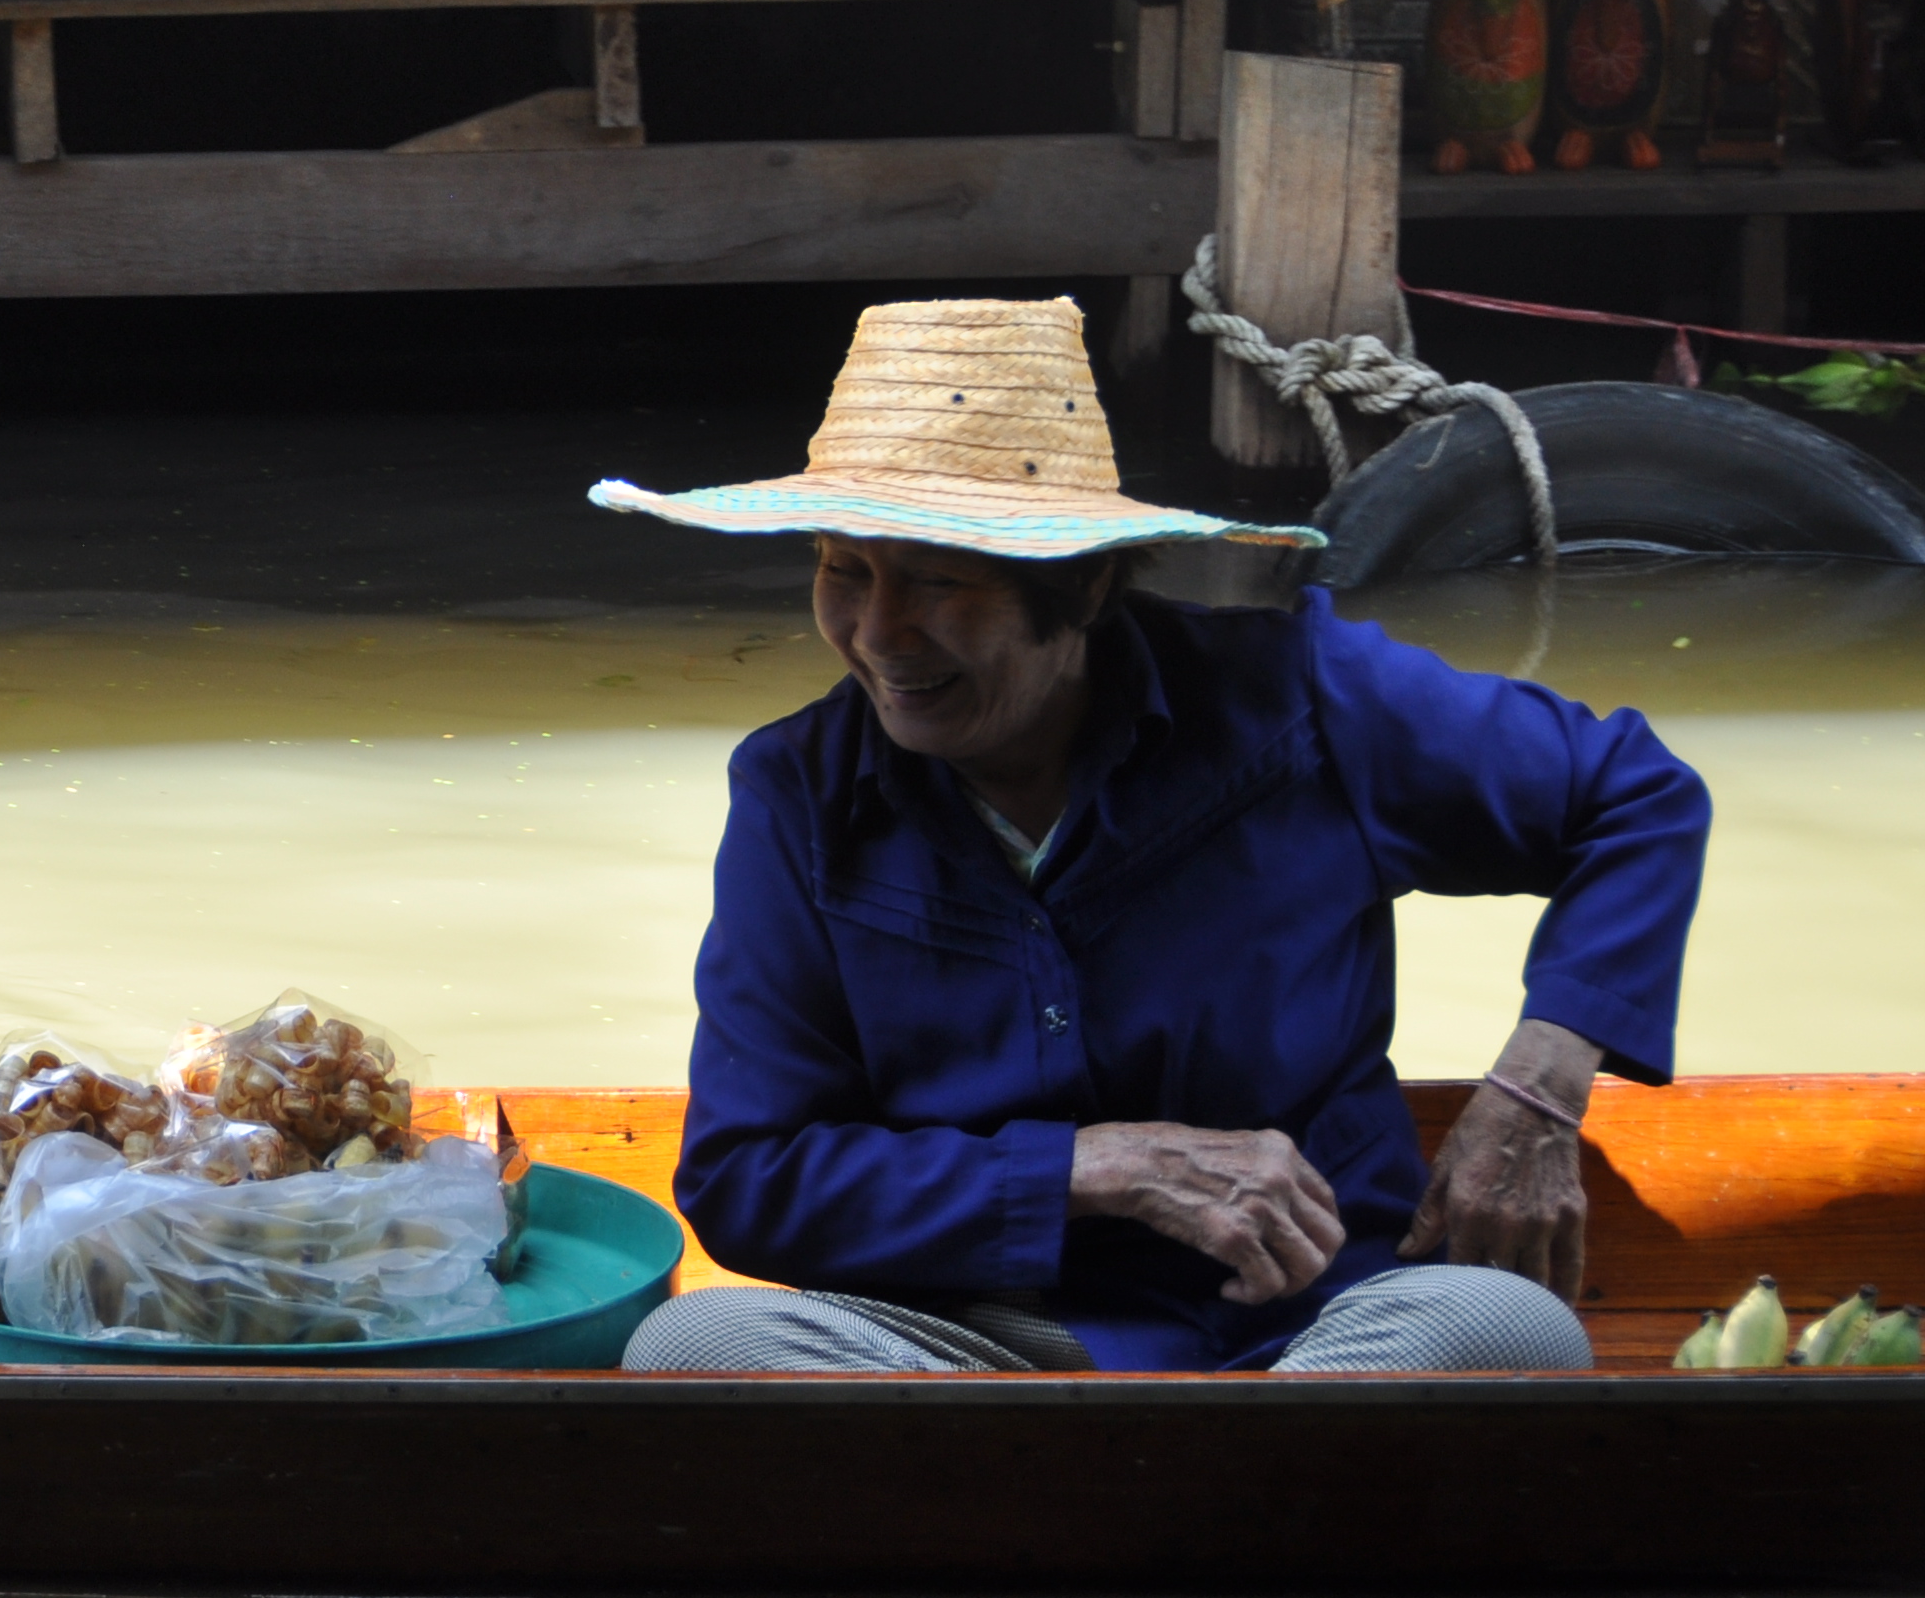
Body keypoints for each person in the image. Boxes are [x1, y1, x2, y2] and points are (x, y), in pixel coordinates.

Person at [588, 297, 1707, 1375]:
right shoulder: (799, 792)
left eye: (934, 578)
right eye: (843, 569)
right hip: (994, 1339)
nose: (877, 633)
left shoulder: (1304, 700)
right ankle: (1233, 1500)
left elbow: (1635, 797)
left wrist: (1536, 1090)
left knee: (1507, 1325)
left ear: (1078, 588)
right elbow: (751, 1178)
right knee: (692, 1347)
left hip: (1327, 1326)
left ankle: (1112, 1502)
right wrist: (1089, 1169)